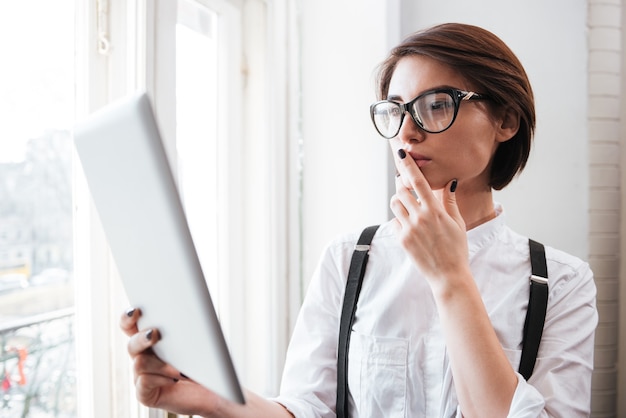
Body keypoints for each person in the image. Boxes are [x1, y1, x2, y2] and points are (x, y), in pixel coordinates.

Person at [121, 23, 597, 417]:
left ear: (506, 121)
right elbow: (307, 408)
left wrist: (451, 278)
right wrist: (204, 397)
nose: (406, 131)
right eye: (395, 109)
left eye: (437, 104)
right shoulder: (350, 259)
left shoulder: (562, 283)